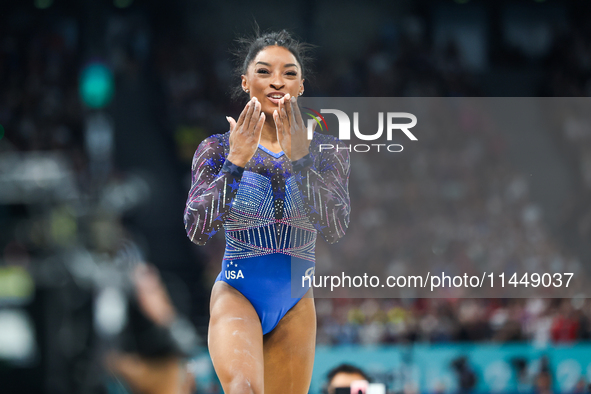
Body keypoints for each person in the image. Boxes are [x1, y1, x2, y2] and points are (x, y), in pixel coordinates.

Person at [184, 28, 350, 393]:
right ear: (245, 82)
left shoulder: (326, 151)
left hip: (295, 303)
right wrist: (235, 163)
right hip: (237, 293)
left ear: (301, 85)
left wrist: (301, 160)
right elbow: (196, 229)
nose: (277, 81)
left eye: (289, 73)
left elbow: (336, 226)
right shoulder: (216, 149)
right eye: (264, 71)